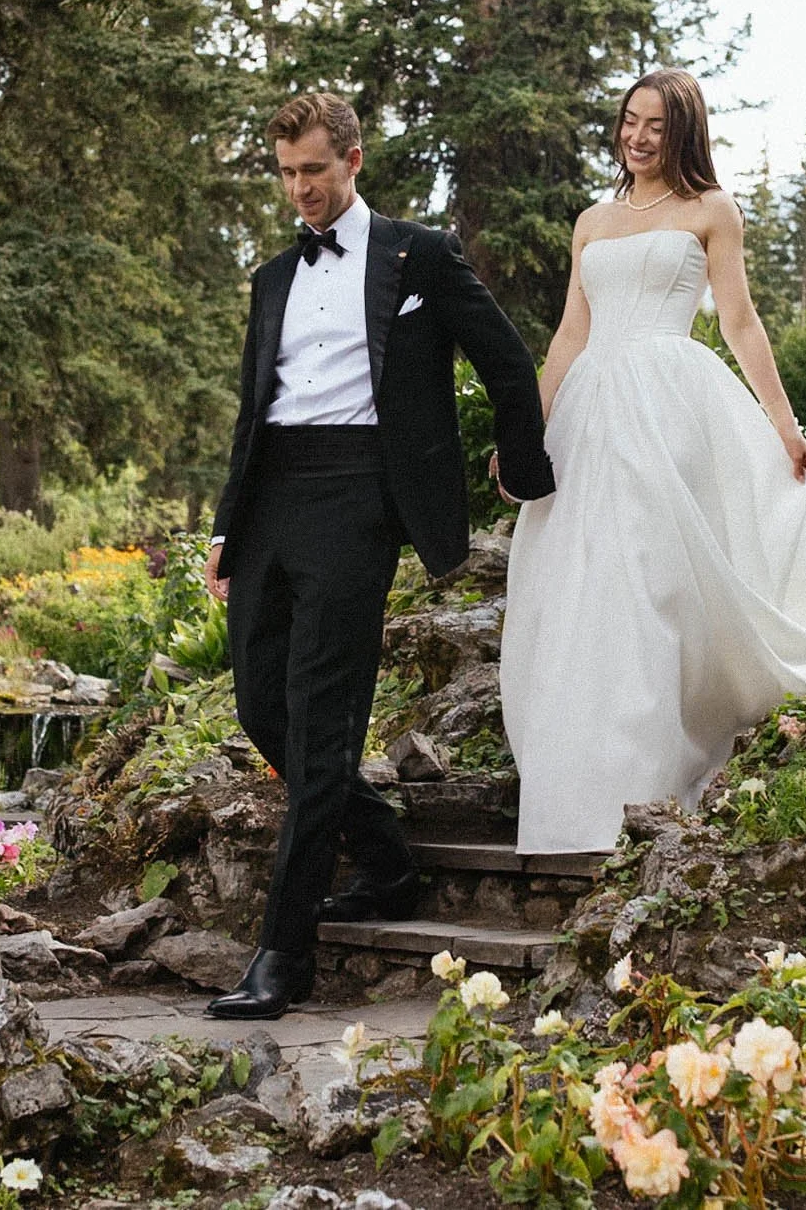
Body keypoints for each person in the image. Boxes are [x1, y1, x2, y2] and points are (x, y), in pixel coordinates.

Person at [499, 68, 806, 856]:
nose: (637, 138)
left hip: (670, 407)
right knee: (583, 583)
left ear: (684, 135)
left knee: (653, 575)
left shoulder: (711, 211)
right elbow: (570, 334)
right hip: (591, 414)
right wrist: (526, 431)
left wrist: (785, 426)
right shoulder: (592, 221)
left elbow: (739, 322)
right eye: (629, 122)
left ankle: (646, 777)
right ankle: (576, 788)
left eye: (656, 128)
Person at [201, 91, 555, 1018]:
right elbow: (252, 409)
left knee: (321, 722)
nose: (299, 191)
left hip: (361, 498)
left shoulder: (419, 254)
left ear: (353, 160)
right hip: (274, 497)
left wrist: (524, 467)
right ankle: (386, 853)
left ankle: (284, 953)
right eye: (285, 174)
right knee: (258, 704)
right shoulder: (274, 275)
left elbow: (507, 360)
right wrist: (228, 526)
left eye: (313, 171)